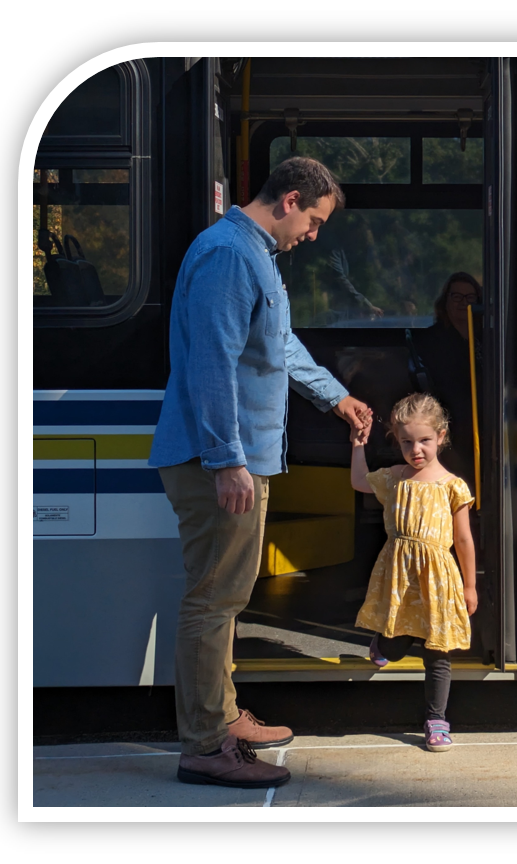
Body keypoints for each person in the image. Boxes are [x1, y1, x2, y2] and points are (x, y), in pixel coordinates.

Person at [148, 157, 371, 789]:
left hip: (233, 457)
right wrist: (227, 460)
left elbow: (279, 343)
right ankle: (204, 745)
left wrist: (335, 397)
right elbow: (214, 364)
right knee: (213, 600)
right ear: (292, 198)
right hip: (219, 460)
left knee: (222, 597)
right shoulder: (229, 255)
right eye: (315, 221)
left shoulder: (253, 256)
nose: (314, 235)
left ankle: (219, 719)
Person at [349, 393, 477, 752]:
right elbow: (360, 481)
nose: (415, 449)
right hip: (401, 577)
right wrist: (358, 446)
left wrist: (470, 586)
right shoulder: (394, 478)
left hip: (438, 579)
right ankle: (383, 643)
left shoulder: (453, 486)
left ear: (441, 435)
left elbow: (464, 540)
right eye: (406, 441)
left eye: (424, 440)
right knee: (397, 639)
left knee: (437, 650)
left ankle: (437, 719)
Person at [413, 272, 483, 494]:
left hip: (484, 411)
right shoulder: (431, 339)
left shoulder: (488, 335)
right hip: (450, 415)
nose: (464, 303)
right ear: (446, 301)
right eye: (457, 297)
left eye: (470, 298)